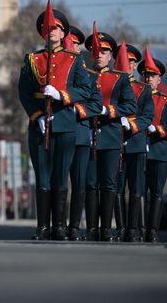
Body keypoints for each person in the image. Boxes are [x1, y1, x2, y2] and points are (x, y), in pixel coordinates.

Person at [18, 4, 91, 241]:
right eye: (47, 28)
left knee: (61, 176)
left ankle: (59, 225)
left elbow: (86, 89)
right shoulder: (33, 59)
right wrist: (36, 116)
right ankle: (43, 227)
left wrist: (63, 95)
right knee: (43, 176)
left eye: (56, 28)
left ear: (63, 33)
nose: (51, 32)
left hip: (65, 123)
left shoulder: (74, 60)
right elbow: (24, 92)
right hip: (40, 125)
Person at [84, 28, 136, 242]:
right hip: (87, 135)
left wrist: (109, 111)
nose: (99, 54)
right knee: (90, 183)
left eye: (104, 51)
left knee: (108, 183)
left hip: (111, 135)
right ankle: (91, 229)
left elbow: (130, 105)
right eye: (96, 50)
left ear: (111, 55)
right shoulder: (84, 74)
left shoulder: (120, 78)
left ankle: (106, 229)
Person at [112, 42, 154, 242]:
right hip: (114, 142)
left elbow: (148, 116)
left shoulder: (143, 89)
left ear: (134, 65)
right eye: (122, 60)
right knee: (117, 187)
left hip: (136, 143)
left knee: (136, 187)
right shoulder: (111, 84)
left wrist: (131, 124)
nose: (125, 64)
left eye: (130, 62)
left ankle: (133, 229)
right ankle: (120, 228)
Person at [138, 50, 167, 242]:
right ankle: (137, 228)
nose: (148, 78)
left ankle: (152, 230)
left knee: (156, 192)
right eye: (146, 74)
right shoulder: (134, 97)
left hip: (158, 152)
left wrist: (157, 129)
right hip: (138, 151)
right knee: (139, 192)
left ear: (159, 78)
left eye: (152, 75)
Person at [67, 26, 103, 241]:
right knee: (59, 181)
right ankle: (57, 225)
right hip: (58, 132)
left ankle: (74, 226)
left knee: (79, 182)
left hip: (80, 132)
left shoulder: (89, 76)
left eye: (74, 45)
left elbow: (96, 103)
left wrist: (78, 110)